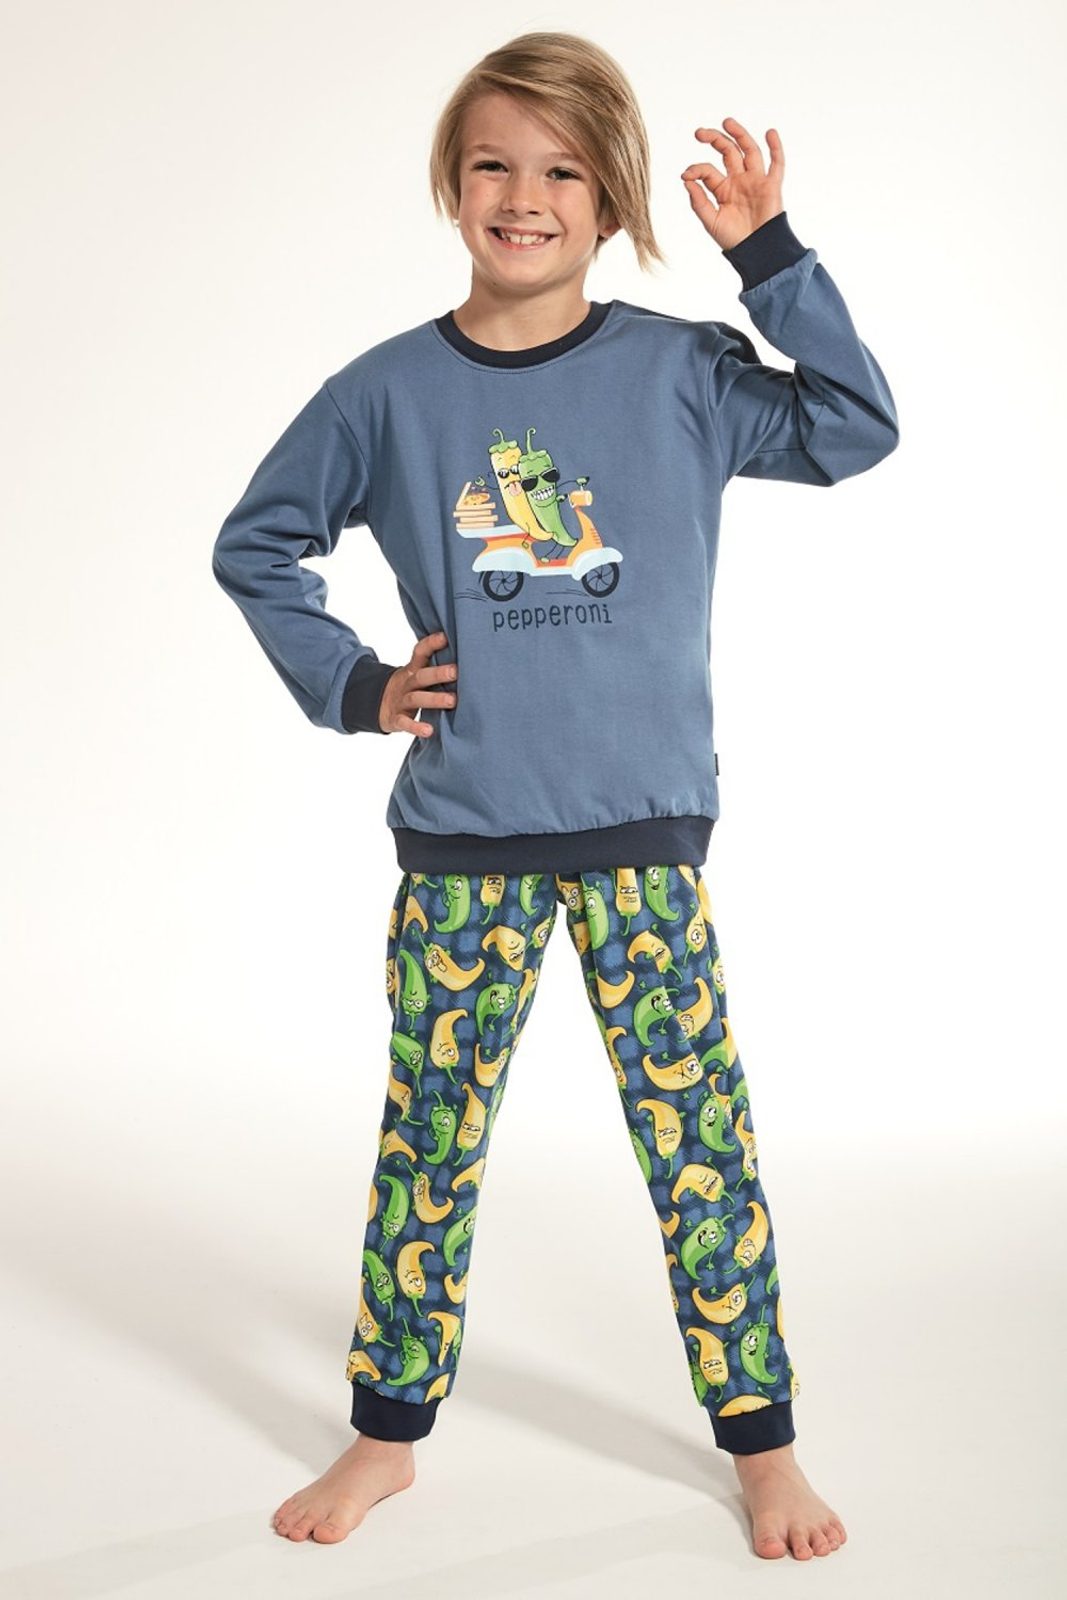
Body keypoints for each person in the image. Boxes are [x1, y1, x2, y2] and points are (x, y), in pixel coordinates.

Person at [212, 30, 896, 1560]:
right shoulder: (382, 395)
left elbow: (854, 426)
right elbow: (256, 546)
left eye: (564, 171)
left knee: (698, 1144)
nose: (525, 196)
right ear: (452, 185)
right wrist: (358, 685)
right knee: (430, 1144)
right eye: (494, 165)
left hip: (642, 835)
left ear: (613, 200)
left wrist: (770, 260)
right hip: (465, 841)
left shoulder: (682, 374)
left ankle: (763, 1446)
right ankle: (387, 1433)